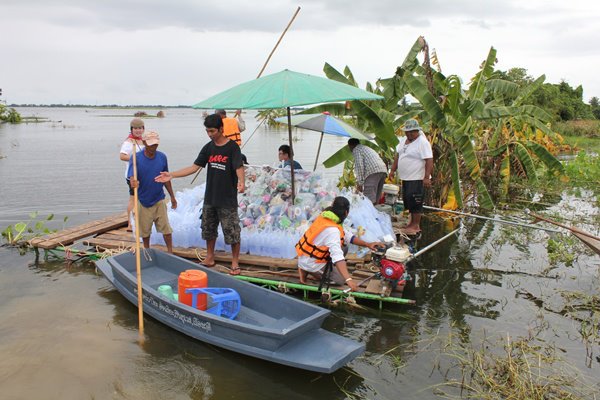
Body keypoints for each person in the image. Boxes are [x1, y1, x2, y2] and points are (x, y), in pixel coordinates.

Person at [155, 114, 245, 274]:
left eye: (212, 131)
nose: (210, 134)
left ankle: (235, 262)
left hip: (227, 199)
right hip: (210, 197)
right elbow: (194, 167)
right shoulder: (208, 148)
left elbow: (239, 166)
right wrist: (172, 175)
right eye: (207, 131)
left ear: (221, 129)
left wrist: (242, 182)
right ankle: (210, 257)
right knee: (208, 229)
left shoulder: (232, 147)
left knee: (232, 231)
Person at [296, 196, 385, 291]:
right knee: (340, 280)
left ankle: (316, 268)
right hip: (311, 262)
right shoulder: (333, 231)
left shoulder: (326, 217)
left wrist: (368, 244)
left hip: (306, 255)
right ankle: (310, 271)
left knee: (344, 248)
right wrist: (348, 279)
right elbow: (337, 256)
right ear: (346, 212)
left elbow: (348, 236)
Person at [128, 131, 177, 253]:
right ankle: (147, 251)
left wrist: (172, 196)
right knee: (145, 231)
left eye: (155, 144)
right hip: (143, 200)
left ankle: (170, 252)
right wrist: (134, 182)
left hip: (159, 199)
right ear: (144, 143)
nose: (153, 147)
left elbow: (166, 178)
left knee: (166, 229)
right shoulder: (136, 158)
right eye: (150, 144)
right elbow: (131, 178)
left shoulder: (162, 157)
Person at [389, 119, 433, 234]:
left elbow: (429, 160)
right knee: (408, 200)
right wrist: (392, 170)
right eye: (407, 132)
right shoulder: (404, 140)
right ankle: (411, 222)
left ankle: (415, 225)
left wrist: (427, 177)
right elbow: (398, 156)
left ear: (417, 131)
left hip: (417, 178)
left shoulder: (422, 142)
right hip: (406, 178)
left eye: (412, 132)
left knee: (416, 201)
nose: (409, 134)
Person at [120, 118, 145, 231]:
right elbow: (122, 156)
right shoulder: (128, 142)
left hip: (143, 175)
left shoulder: (143, 140)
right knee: (133, 199)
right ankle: (130, 224)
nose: (138, 130)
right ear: (131, 130)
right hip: (132, 175)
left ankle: (140, 221)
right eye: (135, 128)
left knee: (142, 198)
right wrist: (134, 158)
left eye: (140, 128)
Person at [346, 138, 388, 204]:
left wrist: (360, 184)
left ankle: (370, 213)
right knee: (376, 197)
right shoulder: (365, 148)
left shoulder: (356, 150)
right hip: (382, 170)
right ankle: (375, 212)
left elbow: (359, 166)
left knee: (369, 199)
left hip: (373, 171)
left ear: (350, 146)